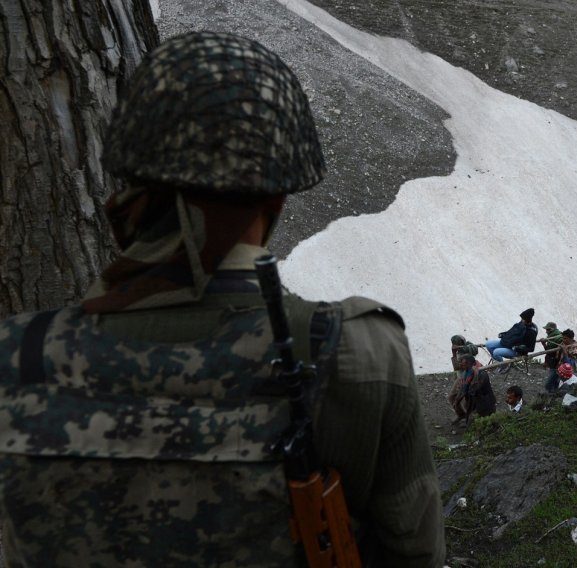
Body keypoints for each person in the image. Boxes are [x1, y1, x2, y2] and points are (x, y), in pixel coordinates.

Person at [0, 32, 444, 567]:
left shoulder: (15, 354)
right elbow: (414, 551)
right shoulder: (359, 352)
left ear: (133, 183)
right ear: (277, 198)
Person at [484, 308, 538, 373]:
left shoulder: (531, 332)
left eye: (523, 319)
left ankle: (501, 366)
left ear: (527, 320)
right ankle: (501, 363)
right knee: (488, 344)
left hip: (515, 350)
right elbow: (510, 332)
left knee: (496, 352)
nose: (521, 320)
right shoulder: (520, 324)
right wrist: (503, 334)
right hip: (507, 343)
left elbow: (531, 348)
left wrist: (518, 348)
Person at [459, 355, 497, 423]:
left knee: (488, 420)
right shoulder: (467, 373)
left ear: (473, 364)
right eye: (463, 364)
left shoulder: (482, 374)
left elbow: (474, 389)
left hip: (485, 402)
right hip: (474, 400)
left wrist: (466, 389)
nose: (464, 367)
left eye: (466, 364)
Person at [449, 352, 483, 425]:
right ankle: (461, 415)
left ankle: (469, 420)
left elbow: (468, 389)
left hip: (470, 383)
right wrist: (454, 353)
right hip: (462, 378)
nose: (460, 364)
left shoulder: (475, 370)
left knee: (468, 402)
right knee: (452, 397)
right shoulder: (464, 362)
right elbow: (457, 367)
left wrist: (459, 398)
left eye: (462, 363)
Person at [541, 321, 563, 393]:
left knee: (548, 384)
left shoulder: (555, 338)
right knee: (555, 382)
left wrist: (544, 344)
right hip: (554, 362)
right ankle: (554, 396)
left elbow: (549, 352)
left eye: (547, 330)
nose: (546, 332)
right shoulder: (554, 336)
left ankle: (550, 395)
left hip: (556, 363)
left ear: (551, 330)